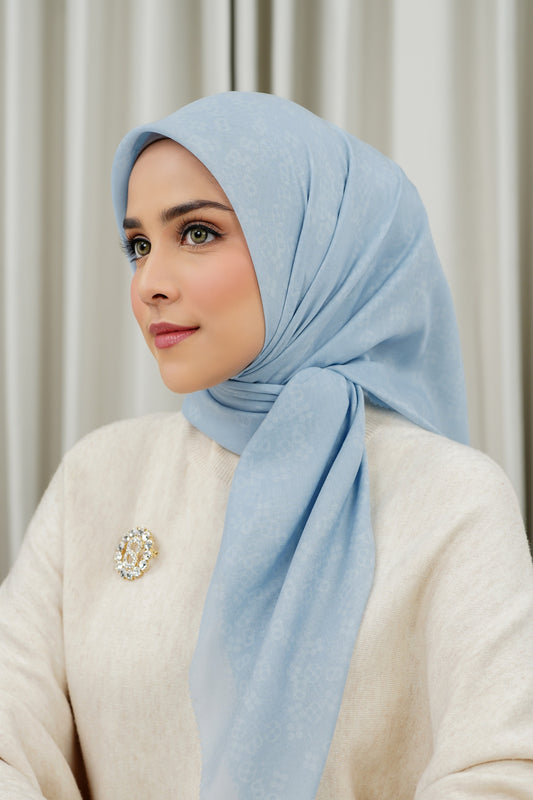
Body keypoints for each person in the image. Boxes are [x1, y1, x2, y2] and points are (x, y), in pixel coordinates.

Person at [0, 91, 532, 800]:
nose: (149, 283)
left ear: (313, 247)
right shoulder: (98, 479)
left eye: (196, 233)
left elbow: (502, 773)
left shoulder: (448, 498)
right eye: (139, 246)